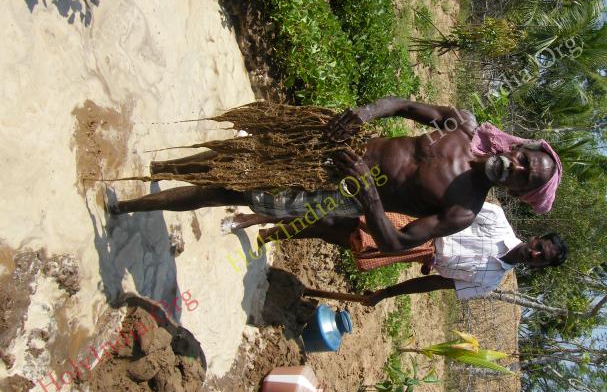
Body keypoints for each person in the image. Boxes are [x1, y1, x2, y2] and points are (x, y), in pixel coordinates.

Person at [112, 97, 563, 254]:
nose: (517, 169)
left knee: (227, 190)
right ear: (519, 147)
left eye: (524, 178)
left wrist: (370, 200)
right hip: (333, 143)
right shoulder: (462, 127)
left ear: (519, 193)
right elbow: (402, 105)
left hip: (335, 193)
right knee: (238, 153)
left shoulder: (463, 210)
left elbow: (397, 243)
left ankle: (127, 206)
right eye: (525, 160)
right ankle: (158, 168)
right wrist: (361, 114)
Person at [228, 201, 568, 305]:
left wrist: (385, 293)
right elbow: (440, 205)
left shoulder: (489, 281)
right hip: (410, 222)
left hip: (410, 254)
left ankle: (273, 230)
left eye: (543, 259)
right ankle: (257, 218)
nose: (536, 254)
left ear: (539, 268)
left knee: (336, 237)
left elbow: (435, 284)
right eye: (541, 248)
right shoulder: (495, 218)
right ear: (536, 238)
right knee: (335, 219)